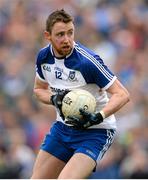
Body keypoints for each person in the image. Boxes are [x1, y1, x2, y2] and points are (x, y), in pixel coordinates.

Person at [31, 9, 130, 179]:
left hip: (96, 132)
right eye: (60, 34)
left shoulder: (87, 61)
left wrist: (98, 116)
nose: (67, 39)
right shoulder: (43, 57)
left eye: (70, 33)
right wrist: (54, 99)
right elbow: (38, 90)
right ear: (48, 36)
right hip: (62, 129)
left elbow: (122, 94)